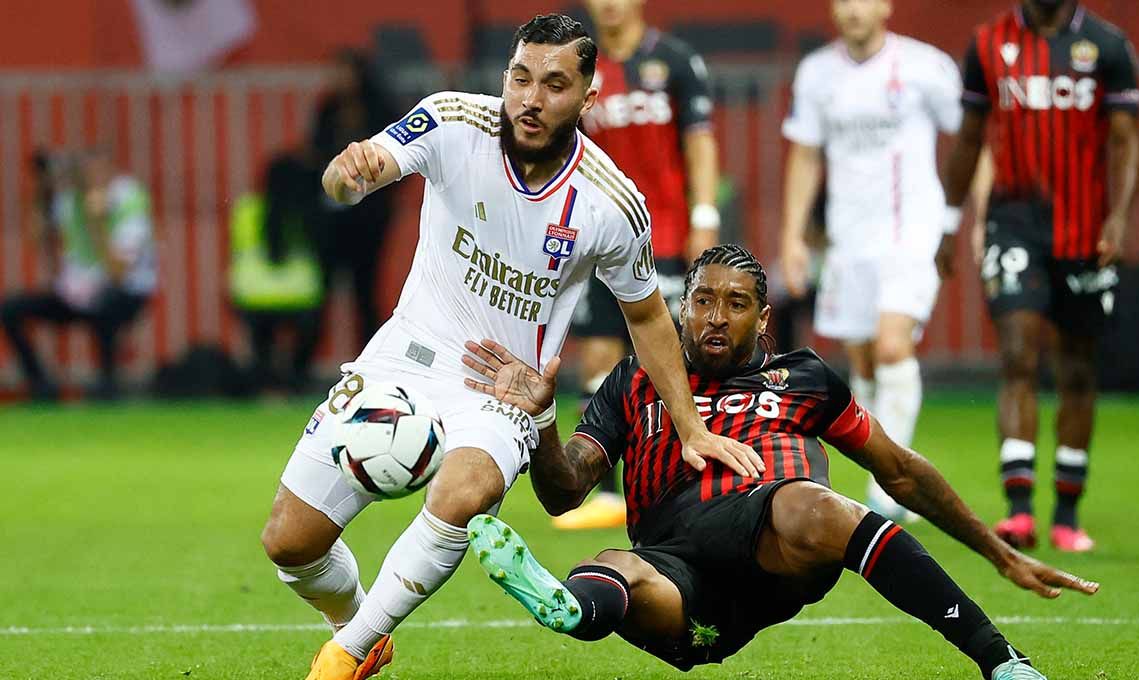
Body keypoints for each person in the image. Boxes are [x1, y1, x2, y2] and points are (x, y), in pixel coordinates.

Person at [257, 15, 760, 680]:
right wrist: (346, 176)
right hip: (405, 355)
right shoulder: (452, 121)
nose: (531, 97)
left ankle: (346, 656)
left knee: (464, 492)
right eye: (521, 77)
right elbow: (364, 169)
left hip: (503, 391)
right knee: (290, 544)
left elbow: (647, 318)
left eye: (554, 84)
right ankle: (358, 627)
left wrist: (691, 427)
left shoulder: (611, 203)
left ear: (588, 97)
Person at [458, 244, 1098, 680]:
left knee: (806, 503)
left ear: (763, 319)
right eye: (702, 300)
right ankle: (573, 609)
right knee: (616, 571)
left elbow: (899, 470)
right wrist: (541, 420)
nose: (715, 317)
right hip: (690, 585)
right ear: (681, 309)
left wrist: (997, 550)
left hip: (777, 538)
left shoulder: (805, 378)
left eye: (735, 304)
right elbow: (563, 490)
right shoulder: (635, 380)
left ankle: (1001, 661)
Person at [937, 0, 1139, 552]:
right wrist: (951, 223)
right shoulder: (987, 43)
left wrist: (1119, 218)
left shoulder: (1106, 45)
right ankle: (1019, 508)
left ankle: (1067, 514)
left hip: (1084, 229)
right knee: (1018, 355)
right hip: (1014, 223)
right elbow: (970, 137)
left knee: (1077, 369)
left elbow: (1124, 140)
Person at [778, 0, 965, 522]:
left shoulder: (926, 68)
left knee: (890, 346)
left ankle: (893, 487)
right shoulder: (817, 74)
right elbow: (806, 155)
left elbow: (973, 136)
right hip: (848, 240)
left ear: (885, 6)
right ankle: (888, 469)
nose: (853, 10)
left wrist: (956, 218)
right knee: (862, 361)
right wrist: (793, 236)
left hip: (911, 232)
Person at [556, 0, 722, 529]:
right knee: (598, 355)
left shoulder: (673, 61)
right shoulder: (579, 64)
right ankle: (605, 493)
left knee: (675, 354)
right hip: (597, 237)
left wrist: (705, 215)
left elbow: (699, 142)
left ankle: (692, 472)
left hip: (666, 233)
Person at [1, 148, 156, 401]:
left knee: (104, 305)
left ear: (109, 170)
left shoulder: (129, 198)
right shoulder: (69, 200)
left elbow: (118, 272)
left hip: (126, 290)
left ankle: (108, 385)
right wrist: (43, 191)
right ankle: (40, 383)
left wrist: (97, 221)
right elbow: (36, 238)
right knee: (9, 309)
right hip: (77, 291)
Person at [311, 49, 398, 347]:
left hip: (370, 215)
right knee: (321, 289)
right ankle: (301, 366)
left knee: (366, 288)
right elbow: (317, 153)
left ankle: (370, 358)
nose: (340, 79)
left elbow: (396, 161)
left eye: (346, 72)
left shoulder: (380, 110)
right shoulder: (328, 109)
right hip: (332, 214)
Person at [228, 149, 325, 394]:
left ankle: (266, 385)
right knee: (309, 332)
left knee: (261, 342)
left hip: (253, 294)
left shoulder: (246, 209)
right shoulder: (307, 210)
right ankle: (296, 379)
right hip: (300, 294)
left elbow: (236, 248)